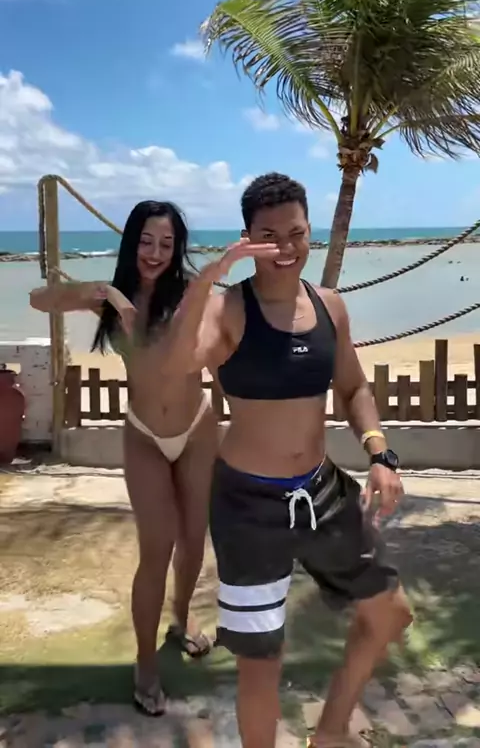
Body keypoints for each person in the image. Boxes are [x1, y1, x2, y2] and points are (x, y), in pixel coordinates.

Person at [160, 174, 413, 748]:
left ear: (309, 231)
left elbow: (353, 388)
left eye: (296, 233)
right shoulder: (227, 309)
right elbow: (177, 362)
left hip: (322, 492)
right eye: (269, 236)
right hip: (248, 507)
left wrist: (380, 453)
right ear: (247, 237)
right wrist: (207, 279)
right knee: (261, 665)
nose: (286, 247)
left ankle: (330, 732)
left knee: (390, 613)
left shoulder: (329, 306)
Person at [29, 200, 277, 716]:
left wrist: (199, 283)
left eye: (167, 243)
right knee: (156, 547)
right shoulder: (112, 296)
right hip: (144, 435)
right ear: (131, 242)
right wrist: (100, 293)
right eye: (146, 241)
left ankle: (182, 620)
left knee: (193, 539)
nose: (156, 253)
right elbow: (37, 299)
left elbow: (175, 359)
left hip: (196, 429)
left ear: (177, 248)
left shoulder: (192, 295)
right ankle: (145, 661)